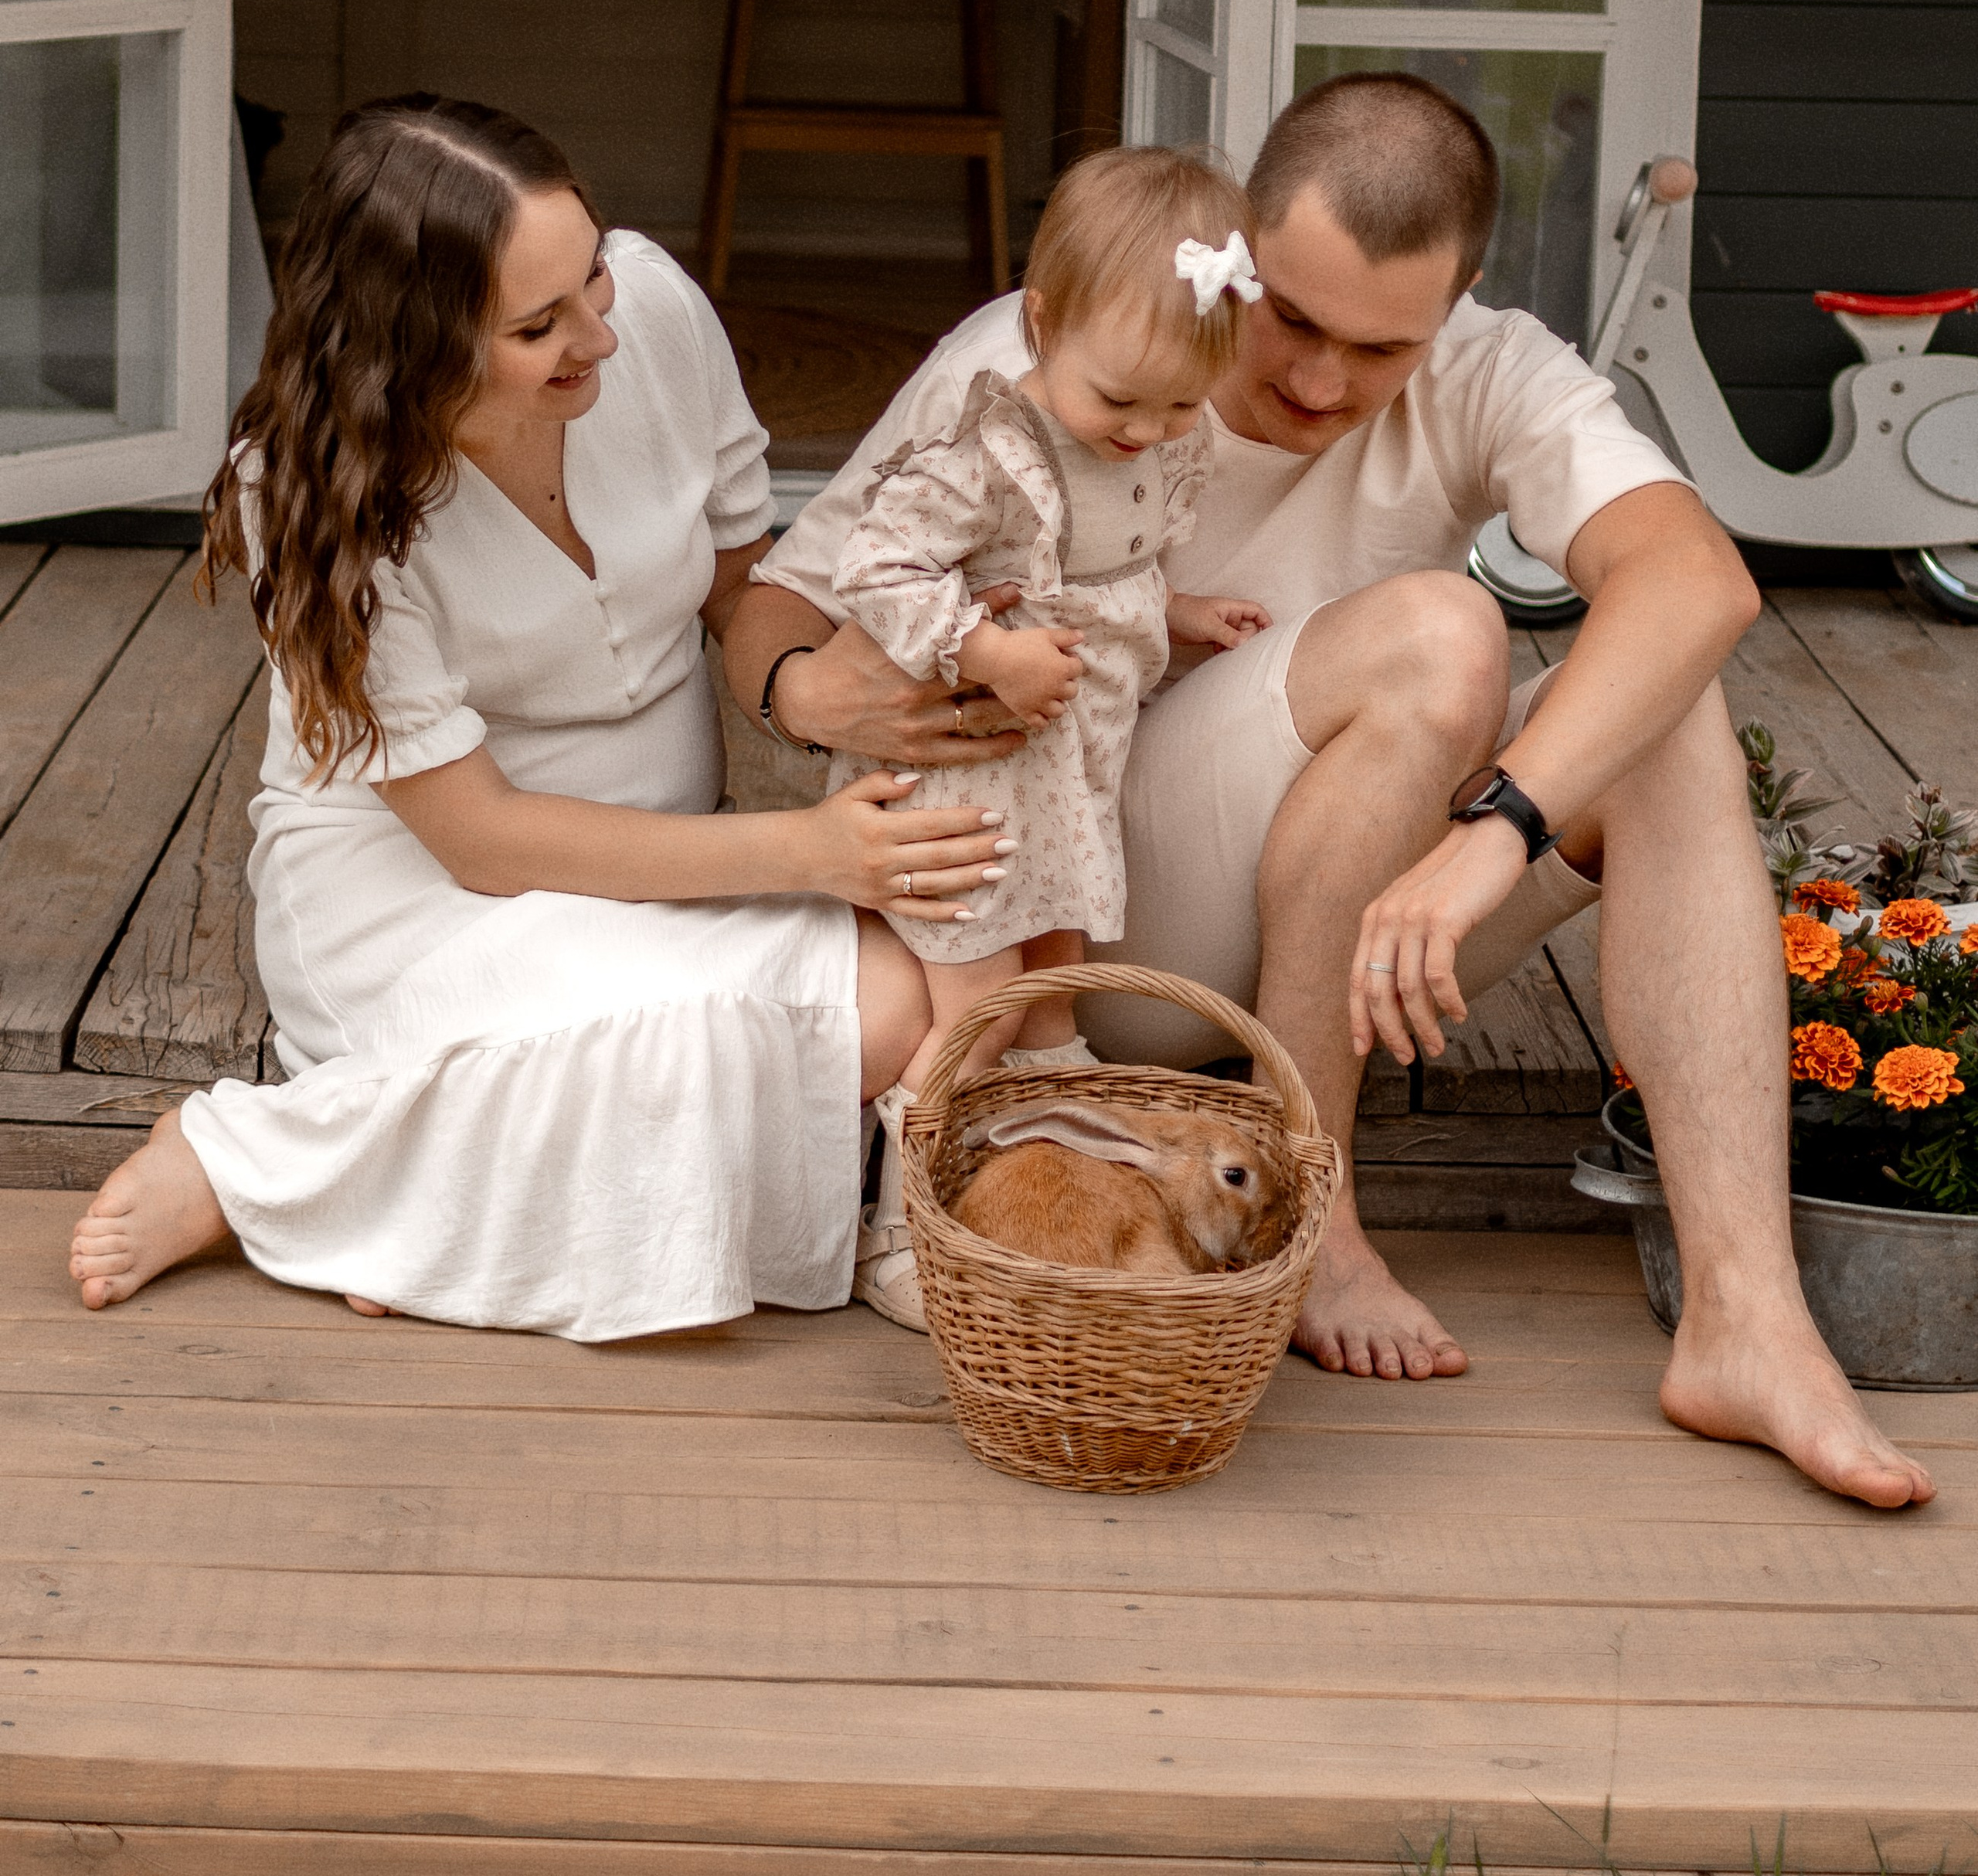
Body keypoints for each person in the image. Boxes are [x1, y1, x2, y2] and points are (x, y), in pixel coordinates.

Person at [727, 73, 1935, 1509]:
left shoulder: (1495, 366)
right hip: (1068, 928)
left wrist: (1499, 839)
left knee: (1667, 705)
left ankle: (1749, 1321)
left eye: (1378, 351)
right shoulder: (1073, 346)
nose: (1314, 382)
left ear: (1460, 300)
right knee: (1445, 628)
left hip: (1348, 923)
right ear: (1236, 249)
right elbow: (775, 602)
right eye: (1287, 321)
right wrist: (811, 694)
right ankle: (1325, 1213)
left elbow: (1699, 581)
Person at [67, 97, 1006, 1339]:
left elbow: (737, 579)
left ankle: (421, 1196)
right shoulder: (306, 492)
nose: (597, 340)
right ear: (412, 346)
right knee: (846, 1018)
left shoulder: (660, 314)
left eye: (594, 278)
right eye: (536, 326)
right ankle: (248, 1159)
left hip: (666, 869)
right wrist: (810, 851)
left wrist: (806, 680)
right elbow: (483, 841)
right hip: (426, 899)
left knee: (893, 1002)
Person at [827, 145, 1271, 1323]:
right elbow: (875, 565)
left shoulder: (1163, 441)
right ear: (1040, 324)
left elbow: (1106, 572)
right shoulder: (991, 451)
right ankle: (892, 1230)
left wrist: (1174, 614)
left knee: (1052, 1011)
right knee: (981, 1020)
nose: (1146, 429)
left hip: (1066, 790)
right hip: (968, 793)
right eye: (1118, 400)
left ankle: (1027, 1215)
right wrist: (980, 645)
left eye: (1180, 404)